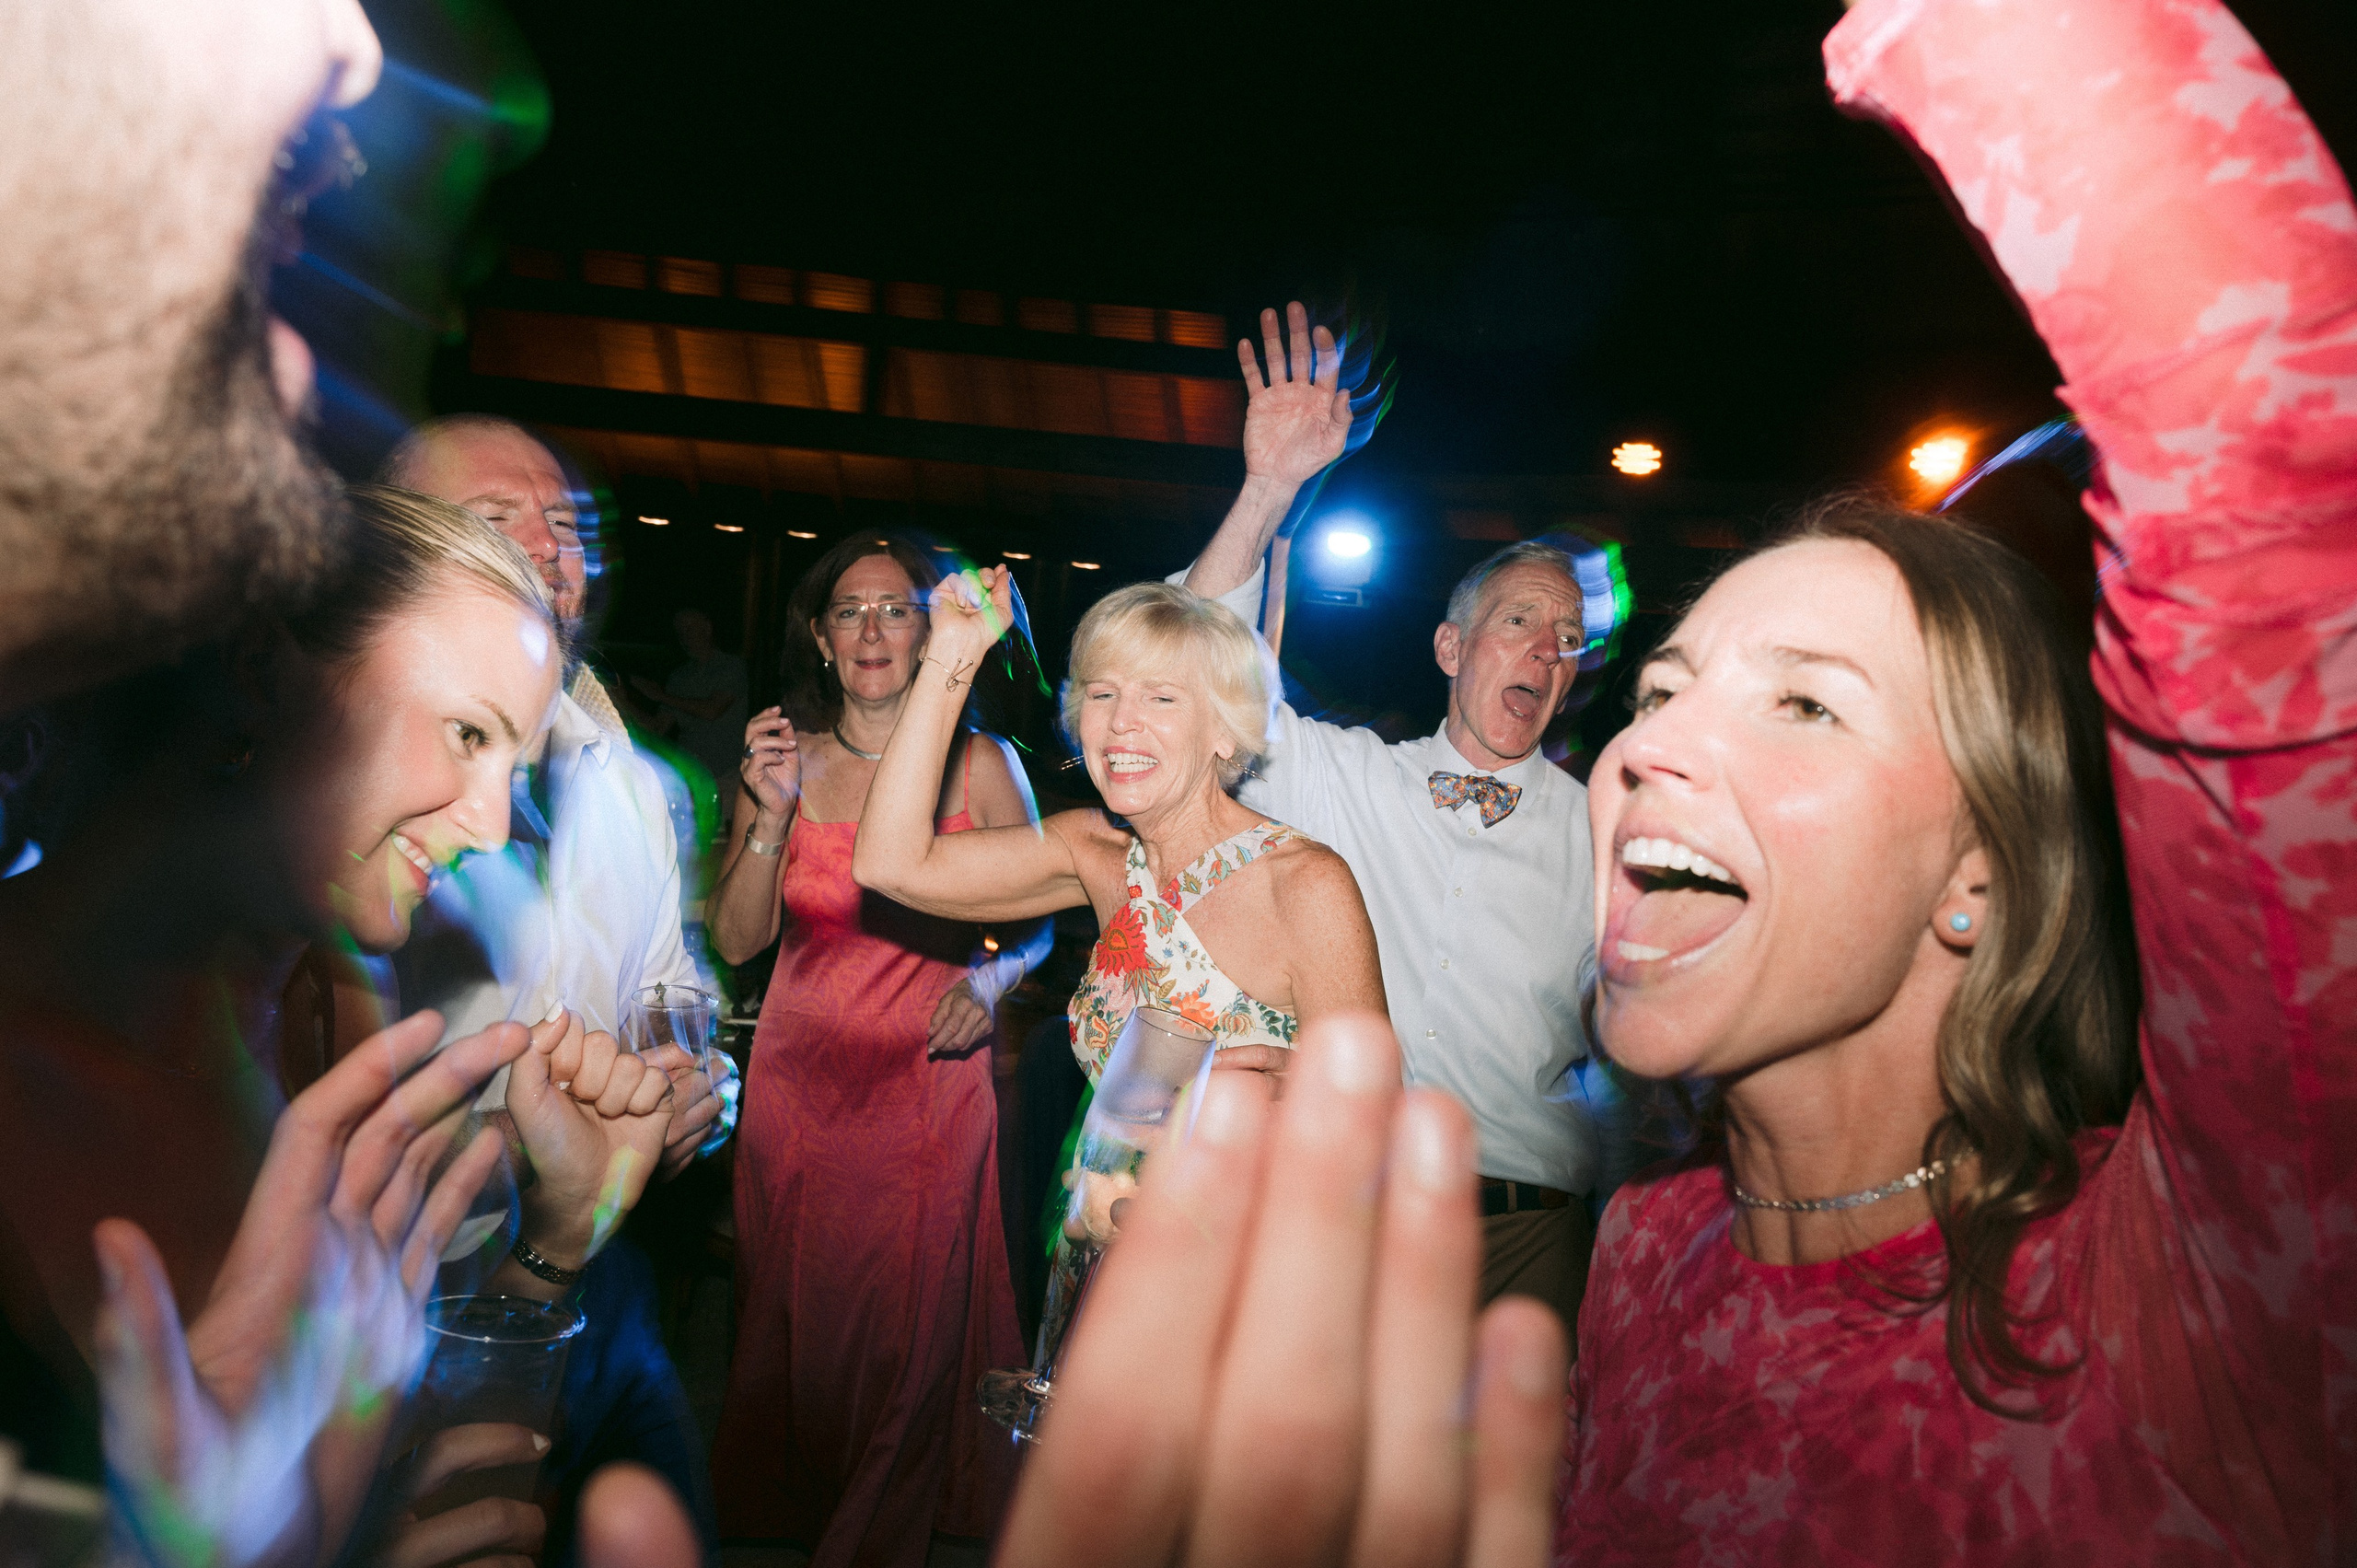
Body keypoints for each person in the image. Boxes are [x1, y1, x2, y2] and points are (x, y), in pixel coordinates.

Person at [1552, 0, 2357, 1557]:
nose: (1647, 744)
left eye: (1803, 702)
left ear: (1977, 878)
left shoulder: (2184, 1288)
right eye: (1663, 686)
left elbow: (2282, 482)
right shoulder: (1644, 1256)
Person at [1172, 302, 1618, 1338]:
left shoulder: (1611, 825)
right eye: (1519, 622)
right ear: (1451, 648)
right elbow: (1190, 678)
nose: (1546, 652)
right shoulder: (1344, 777)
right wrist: (1269, 485)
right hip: (1349, 1207)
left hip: (1527, 1231)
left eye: (1567, 638)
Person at [703, 536, 1050, 1567]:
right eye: (848, 611)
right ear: (819, 636)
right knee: (794, 1316)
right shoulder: (780, 763)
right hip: (799, 1089)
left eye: (895, 609)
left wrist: (989, 981)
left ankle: (869, 1542)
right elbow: (735, 942)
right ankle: (799, 1512)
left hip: (930, 1088)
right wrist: (766, 817)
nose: (869, 629)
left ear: (930, 629)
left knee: (914, 1328)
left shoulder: (983, 764)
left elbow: (1037, 920)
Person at [852, 566, 1387, 1139]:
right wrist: (951, 654)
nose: (1120, 721)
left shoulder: (1303, 882)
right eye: (1102, 694)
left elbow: (1372, 1125)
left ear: (1226, 732)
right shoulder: (1093, 850)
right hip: (1100, 1217)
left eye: (1161, 697)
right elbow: (887, 864)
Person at [635, 609, 749, 826]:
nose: (684, 637)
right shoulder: (679, 677)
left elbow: (713, 710)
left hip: (725, 778)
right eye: (679, 632)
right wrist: (621, 702)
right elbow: (657, 728)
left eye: (688, 629)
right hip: (689, 781)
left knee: (720, 846)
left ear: (707, 628)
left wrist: (661, 696)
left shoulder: (731, 667)